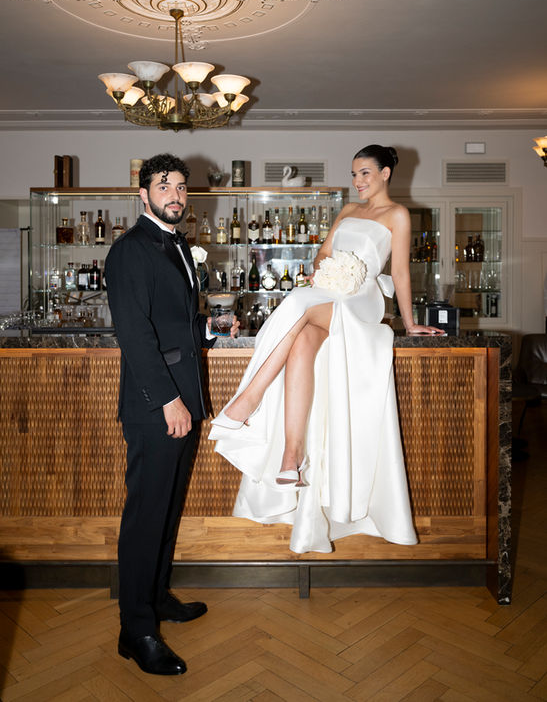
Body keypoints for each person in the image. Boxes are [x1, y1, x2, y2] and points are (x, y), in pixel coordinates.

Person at [209, 144, 445, 554]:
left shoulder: (398, 215)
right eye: (355, 174)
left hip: (363, 299)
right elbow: (321, 253)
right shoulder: (348, 211)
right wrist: (326, 270)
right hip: (330, 296)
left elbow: (401, 272)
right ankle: (291, 457)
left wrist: (409, 324)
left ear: (386, 173)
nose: (358, 181)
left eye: (366, 173)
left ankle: (248, 399)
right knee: (300, 336)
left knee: (298, 302)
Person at [105, 153, 237, 676]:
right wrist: (168, 401)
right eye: (164, 186)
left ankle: (156, 598)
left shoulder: (176, 246)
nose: (175, 194)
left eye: (182, 186)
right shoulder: (130, 250)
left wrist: (209, 327)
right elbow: (135, 336)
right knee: (144, 518)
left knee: (166, 509)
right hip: (156, 405)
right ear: (143, 194)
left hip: (182, 399)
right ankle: (135, 630)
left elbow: (172, 321)